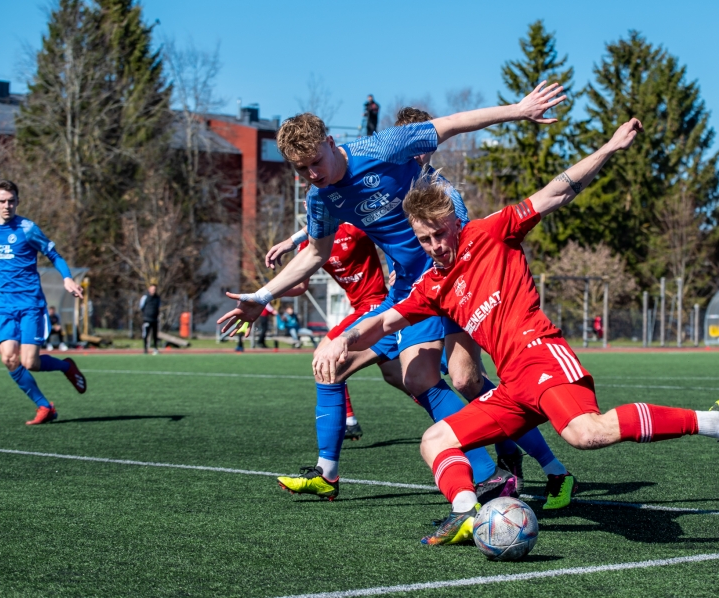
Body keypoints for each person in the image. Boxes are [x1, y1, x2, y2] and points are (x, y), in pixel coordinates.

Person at [313, 118, 719, 545]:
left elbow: (558, 191)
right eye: (424, 239)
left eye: (440, 233)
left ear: (455, 221)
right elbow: (384, 321)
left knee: (586, 433)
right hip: (514, 385)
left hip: (542, 357)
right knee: (435, 440)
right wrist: (341, 340)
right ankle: (467, 513)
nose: (435, 246)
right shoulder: (431, 284)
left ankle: (716, 420)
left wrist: (609, 148)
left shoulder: (492, 233)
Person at [219, 82, 570, 504]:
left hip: (450, 278)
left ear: (331, 143)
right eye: (300, 170)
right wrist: (263, 295)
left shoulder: (384, 146)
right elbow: (316, 252)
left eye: (315, 163)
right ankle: (336, 472)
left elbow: (453, 123)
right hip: (407, 289)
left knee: (463, 378)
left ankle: (541, 469)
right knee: (356, 365)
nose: (311, 175)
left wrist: (518, 109)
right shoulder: (320, 199)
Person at [266, 221, 400, 442]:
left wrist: (399, 269)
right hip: (360, 308)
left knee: (324, 354)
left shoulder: (352, 228)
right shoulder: (311, 244)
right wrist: (266, 294)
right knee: (398, 377)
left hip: (376, 304)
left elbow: (389, 235)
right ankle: (446, 412)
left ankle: (347, 422)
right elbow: (300, 286)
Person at [0, 180, 88, 425]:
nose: (7, 205)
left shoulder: (27, 228)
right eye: (2, 201)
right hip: (4, 304)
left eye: (11, 201)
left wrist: (67, 278)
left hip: (30, 304)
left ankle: (66, 366)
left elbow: (53, 254)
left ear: (17, 202)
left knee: (30, 362)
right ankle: (45, 407)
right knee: (8, 359)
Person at [140, 284, 160, 355]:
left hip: (155, 319)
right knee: (145, 334)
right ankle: (145, 349)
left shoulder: (157, 298)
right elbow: (141, 306)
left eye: (155, 289)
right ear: (149, 289)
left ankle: (155, 348)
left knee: (155, 335)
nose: (153, 291)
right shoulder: (145, 297)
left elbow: (158, 306)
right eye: (152, 289)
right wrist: (146, 314)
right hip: (147, 319)